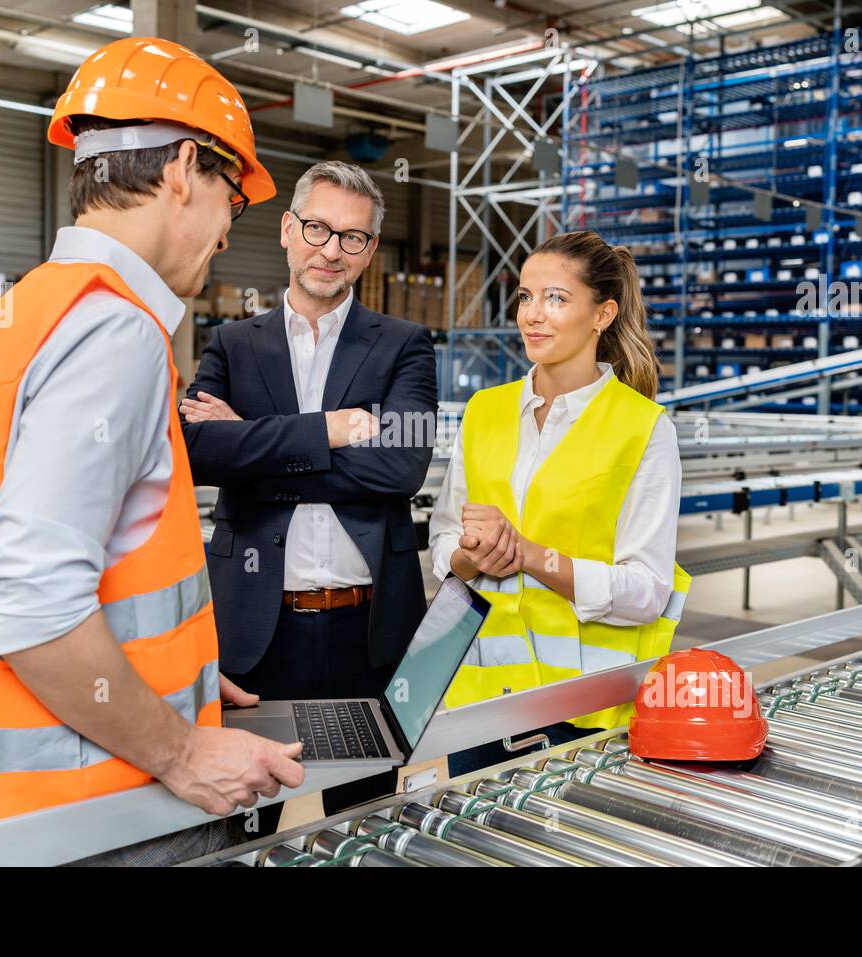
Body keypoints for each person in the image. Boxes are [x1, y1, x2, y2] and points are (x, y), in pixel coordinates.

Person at [0, 37, 304, 866]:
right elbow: (34, 601)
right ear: (186, 167)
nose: (227, 231)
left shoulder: (23, 315)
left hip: (6, 782)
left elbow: (42, 561)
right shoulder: (116, 330)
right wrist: (179, 748)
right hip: (97, 805)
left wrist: (168, 680)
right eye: (235, 198)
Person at [180, 161, 437, 834]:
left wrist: (256, 448)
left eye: (352, 237)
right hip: (257, 633)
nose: (332, 249)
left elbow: (401, 469)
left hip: (369, 630)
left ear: (370, 251)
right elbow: (200, 453)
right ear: (290, 231)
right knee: (241, 821)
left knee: (368, 821)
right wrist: (333, 431)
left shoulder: (405, 345)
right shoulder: (234, 343)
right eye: (319, 228)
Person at [429, 230, 691, 777]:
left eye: (556, 298)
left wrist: (533, 557)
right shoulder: (485, 411)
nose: (533, 315)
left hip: (585, 711)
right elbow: (444, 539)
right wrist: (470, 557)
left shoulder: (642, 429)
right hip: (482, 703)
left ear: (603, 314)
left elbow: (647, 590)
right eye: (525, 296)